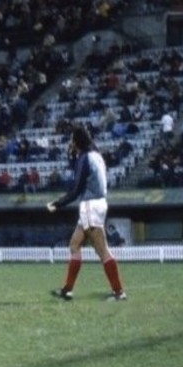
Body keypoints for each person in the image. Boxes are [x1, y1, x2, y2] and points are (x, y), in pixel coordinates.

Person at [46, 126, 126, 301]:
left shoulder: (84, 158)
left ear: (76, 142)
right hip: (97, 203)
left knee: (102, 250)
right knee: (74, 245)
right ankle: (67, 290)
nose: (70, 143)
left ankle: (119, 292)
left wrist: (57, 204)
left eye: (72, 140)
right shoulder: (96, 155)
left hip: (91, 205)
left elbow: (76, 190)